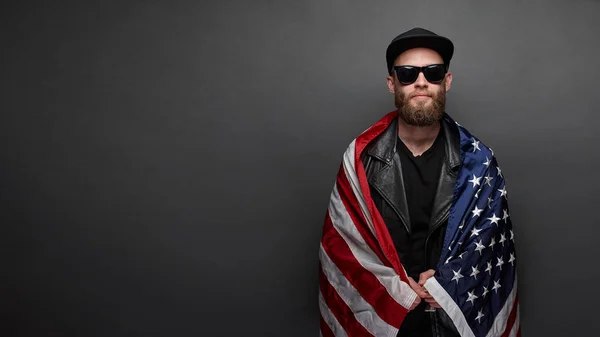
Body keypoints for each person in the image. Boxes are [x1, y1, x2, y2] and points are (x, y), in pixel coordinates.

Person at [318, 28, 520, 337]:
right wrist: (398, 290)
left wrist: (445, 284)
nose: (421, 82)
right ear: (392, 84)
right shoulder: (361, 158)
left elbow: (493, 246)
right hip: (390, 323)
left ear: (446, 81)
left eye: (433, 72)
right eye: (408, 73)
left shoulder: (478, 161)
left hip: (452, 321)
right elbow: (343, 247)